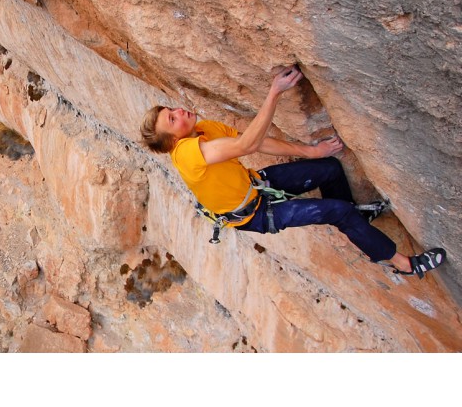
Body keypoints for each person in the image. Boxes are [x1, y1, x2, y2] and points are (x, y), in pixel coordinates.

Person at [140, 66, 446, 279]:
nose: (179, 111)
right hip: (255, 215)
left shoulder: (204, 129)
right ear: (172, 141)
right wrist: (274, 93)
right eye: (172, 119)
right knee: (338, 212)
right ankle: (403, 264)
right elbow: (248, 145)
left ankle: (358, 222)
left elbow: (258, 140)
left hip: (255, 186)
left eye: (171, 110)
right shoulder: (185, 154)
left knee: (330, 169)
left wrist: (312, 152)